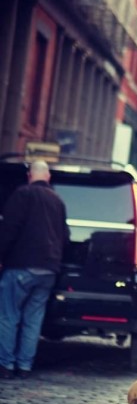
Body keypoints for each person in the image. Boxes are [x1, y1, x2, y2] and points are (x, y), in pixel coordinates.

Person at [0, 159, 69, 379]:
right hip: (48, 270)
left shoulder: (23, 194)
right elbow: (65, 236)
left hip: (21, 265)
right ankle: (25, 367)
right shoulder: (58, 201)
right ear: (48, 176)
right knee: (33, 319)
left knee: (9, 316)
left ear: (30, 175)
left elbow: (9, 229)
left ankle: (6, 365)